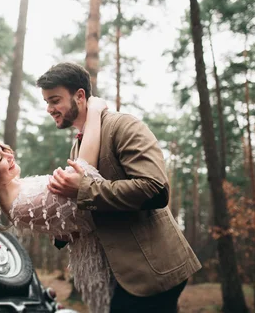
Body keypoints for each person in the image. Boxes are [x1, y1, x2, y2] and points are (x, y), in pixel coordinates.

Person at [36, 62, 201, 312]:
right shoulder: (77, 148)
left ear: (80, 96)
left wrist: (83, 190)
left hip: (152, 271)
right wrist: (64, 230)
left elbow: (155, 189)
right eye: (47, 102)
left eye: (55, 100)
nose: (49, 109)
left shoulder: (123, 125)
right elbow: (92, 209)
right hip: (121, 277)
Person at [0, 97, 114, 312]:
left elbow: (68, 228)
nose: (9, 155)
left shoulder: (20, 188)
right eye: (0, 159)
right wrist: (94, 111)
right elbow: (84, 172)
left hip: (111, 258)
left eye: (3, 149)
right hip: (110, 270)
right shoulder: (21, 204)